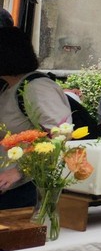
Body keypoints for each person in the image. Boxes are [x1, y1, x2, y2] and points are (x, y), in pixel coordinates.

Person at [0, 27, 72, 209]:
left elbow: (60, 136)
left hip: (26, 189)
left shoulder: (37, 88)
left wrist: (18, 171)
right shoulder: (7, 87)